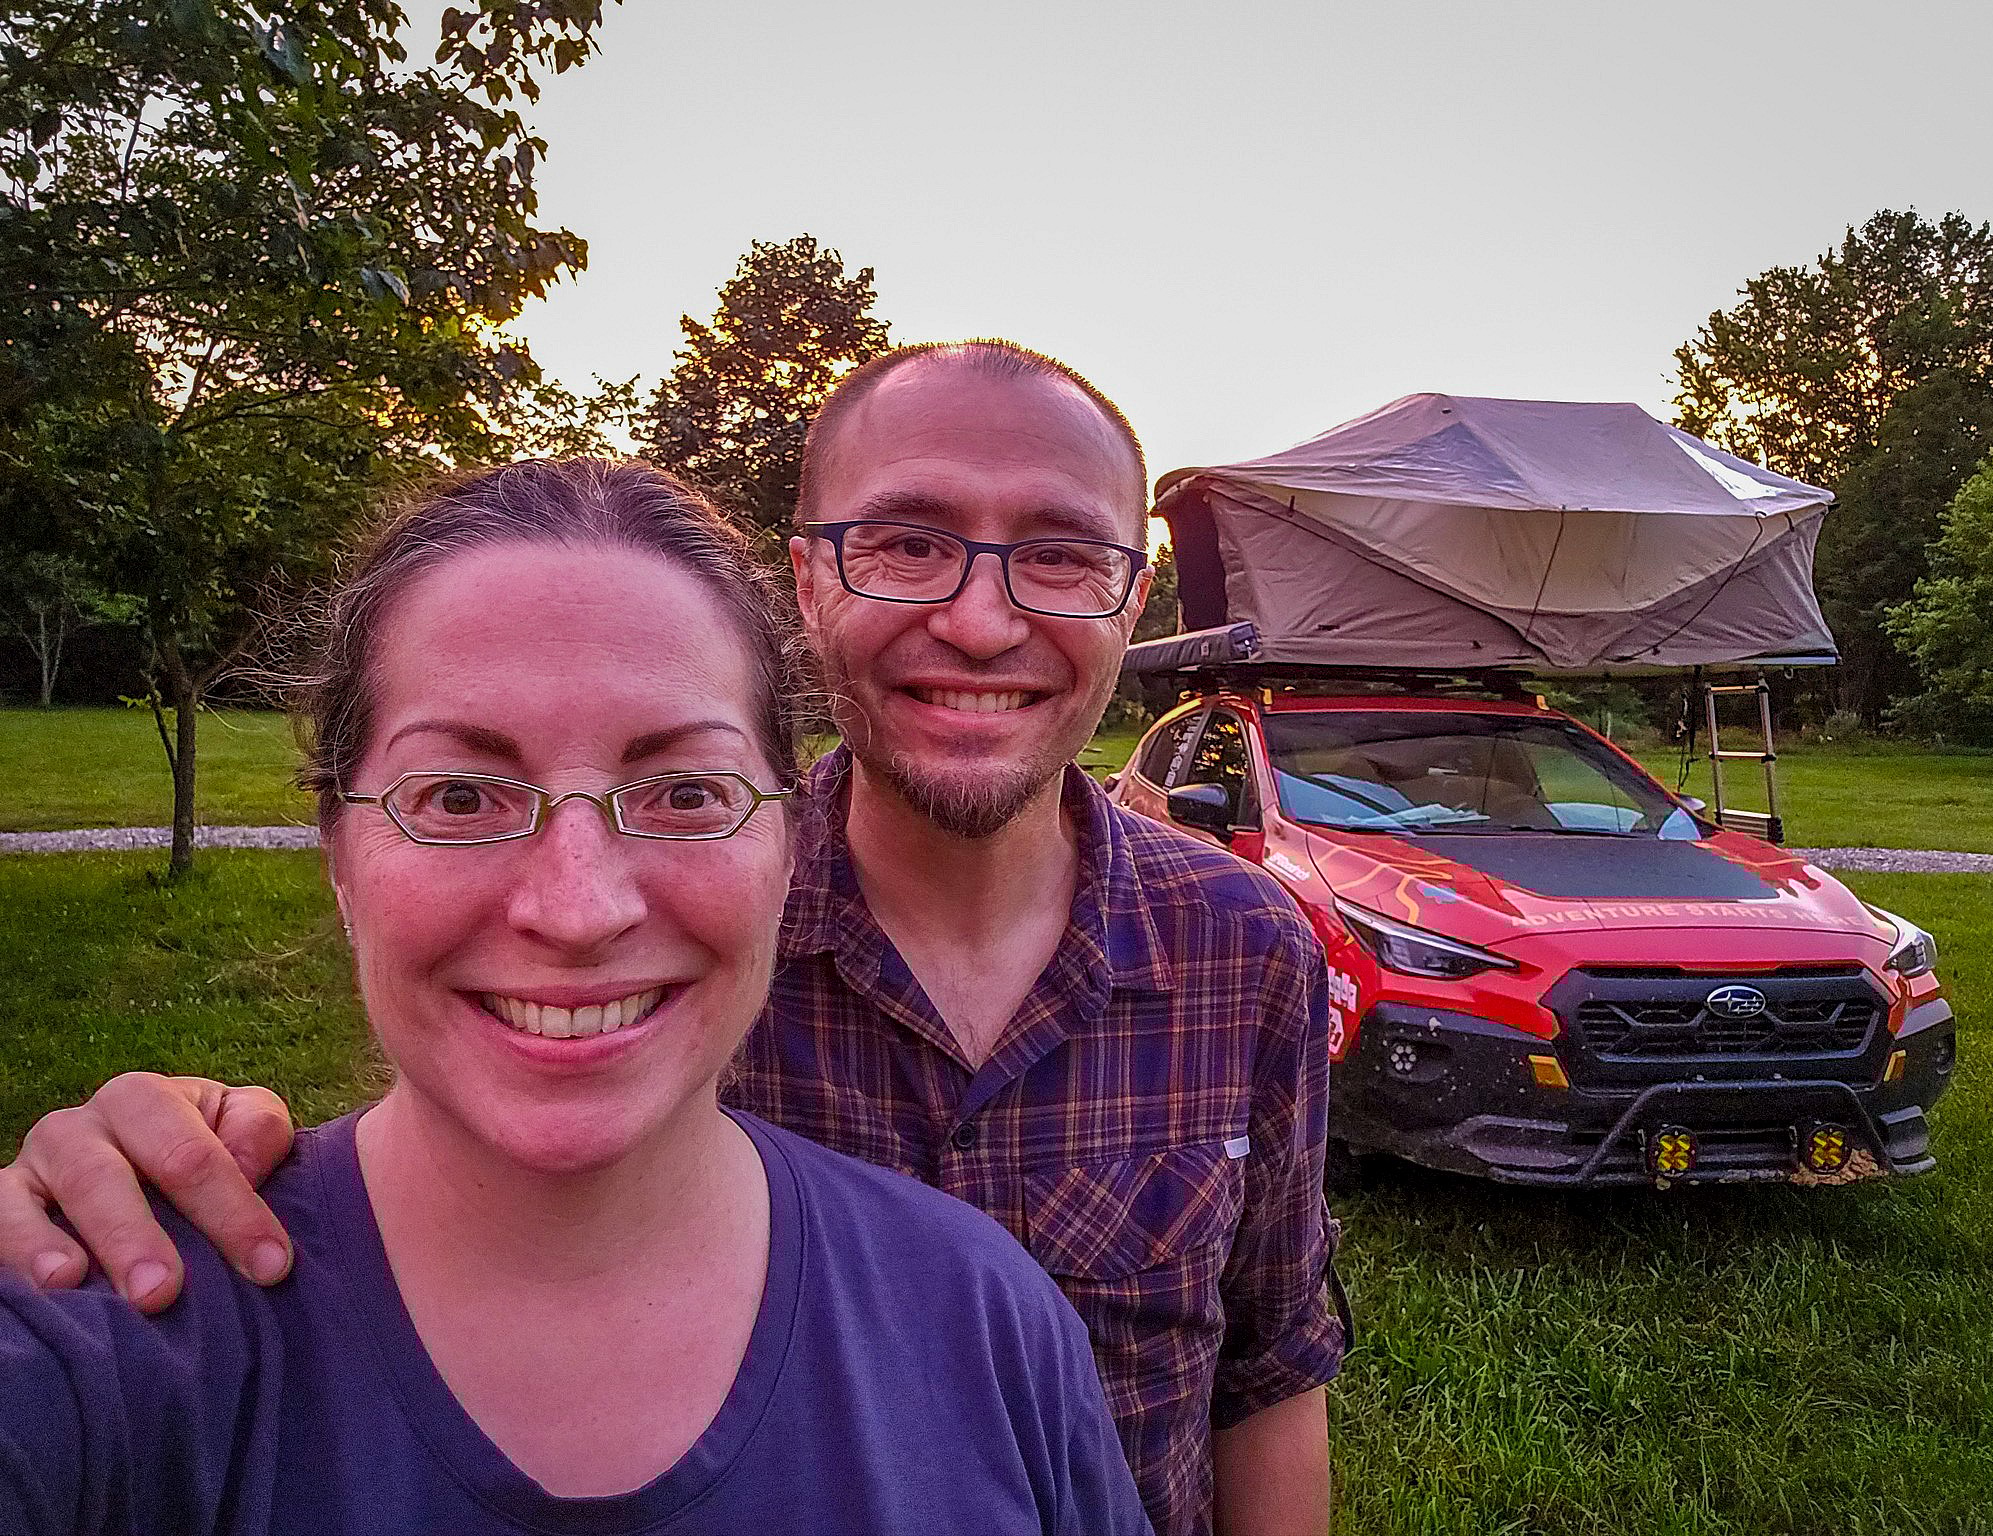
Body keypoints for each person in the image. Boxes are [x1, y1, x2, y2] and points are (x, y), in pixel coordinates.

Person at [0, 343, 1347, 1536]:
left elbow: (1270, 1371)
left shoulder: (1245, 947)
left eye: (1061, 554)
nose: (983, 620)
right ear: (809, 580)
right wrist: (153, 1167)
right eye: (906, 542)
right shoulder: (676, 939)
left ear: (1133, 599)